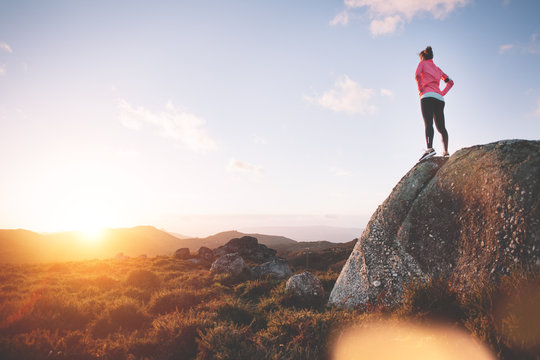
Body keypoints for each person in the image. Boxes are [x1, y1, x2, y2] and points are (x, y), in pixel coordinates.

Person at [415, 46, 454, 161]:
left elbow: (417, 75)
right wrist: (442, 93)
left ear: (423, 57)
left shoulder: (422, 64)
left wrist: (421, 89)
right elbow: (450, 82)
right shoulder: (438, 69)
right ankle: (446, 152)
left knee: (428, 123)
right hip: (439, 99)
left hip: (427, 96)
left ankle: (430, 149)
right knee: (441, 127)